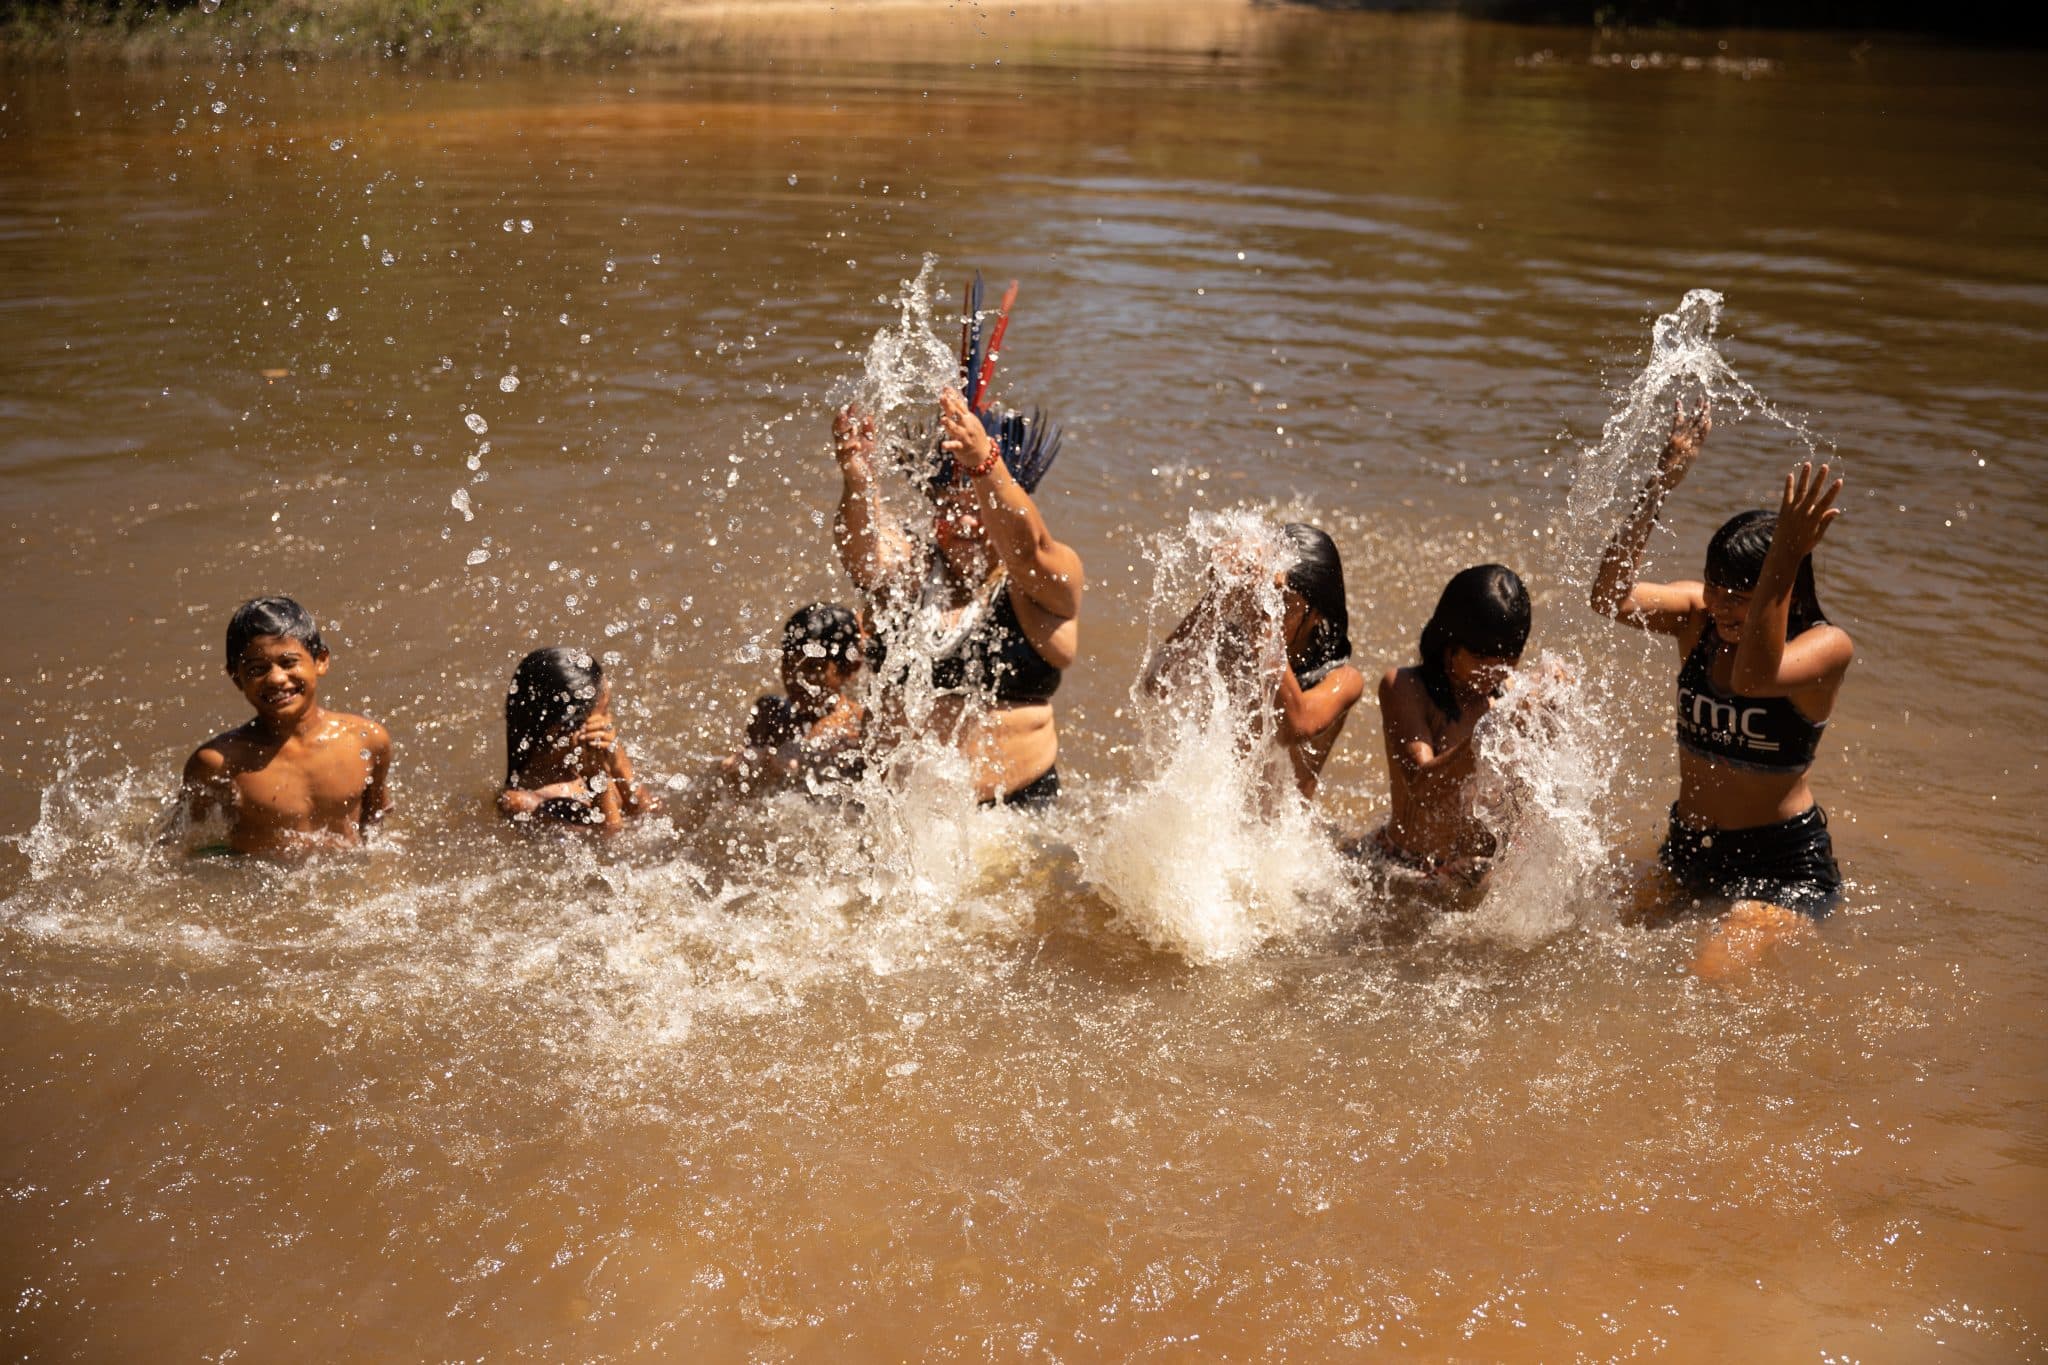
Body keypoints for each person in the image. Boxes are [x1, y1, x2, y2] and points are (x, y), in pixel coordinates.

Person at [1591, 396, 1853, 976]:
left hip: (1781, 867)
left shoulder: (1825, 648)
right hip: (1691, 849)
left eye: (1742, 596)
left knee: (1710, 976)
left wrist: (1788, 548)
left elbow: (1755, 677)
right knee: (1590, 950)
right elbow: (1609, 596)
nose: (1723, 608)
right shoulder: (1698, 619)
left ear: (1780, 591)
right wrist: (1660, 482)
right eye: (1716, 588)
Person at [831, 285, 1081, 809]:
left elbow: (1028, 546)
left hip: (1015, 813)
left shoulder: (1043, 579)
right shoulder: (914, 564)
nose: (965, 521)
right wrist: (858, 481)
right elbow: (865, 558)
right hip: (895, 817)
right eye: (949, 504)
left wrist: (986, 465)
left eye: (980, 506)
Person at [1143, 523, 1365, 801]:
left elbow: (1293, 726)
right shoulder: (1234, 648)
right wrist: (1219, 595)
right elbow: (1156, 684)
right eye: (1266, 597)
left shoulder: (1342, 680)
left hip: (1282, 836)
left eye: (1281, 600)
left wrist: (1261, 623)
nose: (1269, 606)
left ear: (1319, 613)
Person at [176, 596, 392, 857]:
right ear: (237, 678)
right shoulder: (219, 763)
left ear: (321, 660)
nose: (276, 678)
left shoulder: (366, 740)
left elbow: (377, 826)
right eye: (257, 669)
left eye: (289, 662)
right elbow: (187, 844)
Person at [497, 647, 658, 833]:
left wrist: (619, 766)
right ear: (559, 729)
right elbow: (612, 848)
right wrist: (598, 781)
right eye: (603, 713)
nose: (609, 723)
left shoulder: (604, 751)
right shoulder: (521, 801)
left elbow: (650, 815)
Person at [721, 602, 868, 795]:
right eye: (789, 663)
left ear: (850, 668)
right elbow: (741, 794)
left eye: (812, 667)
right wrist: (732, 772)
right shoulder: (769, 713)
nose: (795, 677)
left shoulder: (855, 729)